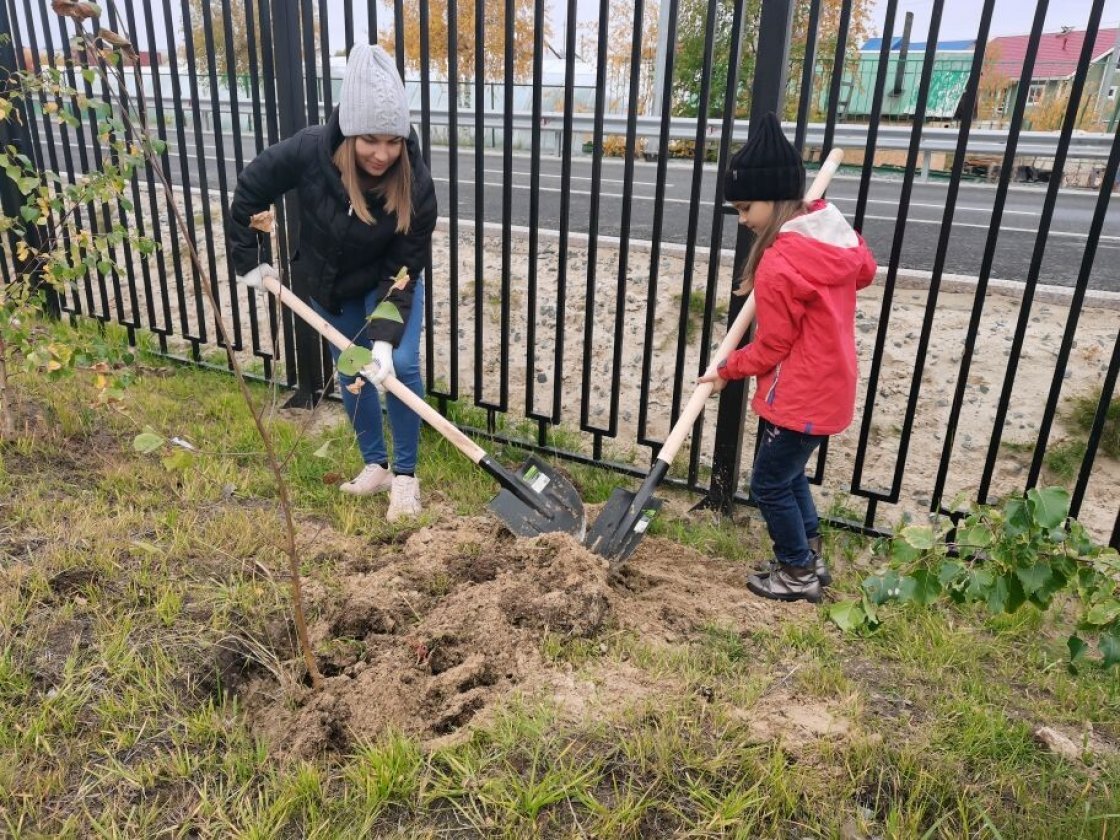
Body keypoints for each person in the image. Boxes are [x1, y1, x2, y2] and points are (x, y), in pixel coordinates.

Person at [228, 44, 437, 521]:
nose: (382, 154)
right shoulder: (308, 150)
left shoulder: (416, 185)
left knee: (399, 366)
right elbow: (250, 191)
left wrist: (383, 340)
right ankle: (375, 466)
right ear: (348, 132)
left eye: (393, 140)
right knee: (352, 373)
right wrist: (250, 260)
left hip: (388, 281)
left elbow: (405, 267)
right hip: (327, 281)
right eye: (370, 140)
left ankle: (405, 476)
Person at [699, 112, 876, 603]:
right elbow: (865, 271)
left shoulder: (780, 263)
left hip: (800, 393)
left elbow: (773, 346)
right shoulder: (828, 236)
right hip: (830, 387)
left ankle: (796, 571)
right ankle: (810, 552)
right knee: (789, 474)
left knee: (768, 484)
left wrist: (725, 371)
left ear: (775, 199)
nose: (743, 219)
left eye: (745, 207)